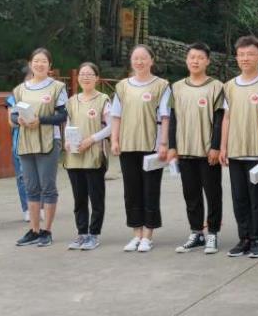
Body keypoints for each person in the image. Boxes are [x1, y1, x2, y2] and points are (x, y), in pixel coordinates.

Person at [110, 44, 171, 253]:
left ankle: (148, 235)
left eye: (144, 58)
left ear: (151, 60)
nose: (139, 62)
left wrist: (164, 143)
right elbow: (116, 116)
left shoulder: (161, 85)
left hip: (151, 146)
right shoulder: (122, 86)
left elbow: (165, 116)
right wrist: (114, 140)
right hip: (128, 145)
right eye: (136, 58)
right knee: (131, 191)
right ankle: (136, 234)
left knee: (150, 190)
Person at [220, 35, 258, 259]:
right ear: (236, 57)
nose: (245, 58)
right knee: (239, 198)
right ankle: (243, 238)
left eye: (250, 54)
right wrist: (223, 146)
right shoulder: (229, 86)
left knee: (257, 199)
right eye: (241, 54)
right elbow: (226, 118)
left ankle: (257, 240)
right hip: (235, 151)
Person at [168, 43, 226, 255]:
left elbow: (220, 120)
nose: (195, 61)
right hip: (185, 150)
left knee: (213, 193)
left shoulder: (217, 87)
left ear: (207, 61)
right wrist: (172, 146)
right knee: (190, 194)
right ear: (186, 60)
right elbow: (173, 119)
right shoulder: (177, 87)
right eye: (192, 57)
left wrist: (216, 147)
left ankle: (213, 233)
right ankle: (196, 233)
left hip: (207, 151)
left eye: (200, 57)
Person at [11, 48, 68, 248]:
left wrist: (40, 120)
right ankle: (34, 230)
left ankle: (47, 230)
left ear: (50, 65)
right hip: (26, 142)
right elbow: (13, 115)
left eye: (44, 61)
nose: (39, 64)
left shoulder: (58, 87)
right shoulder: (20, 89)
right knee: (31, 187)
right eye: (36, 61)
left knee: (48, 187)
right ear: (30, 64)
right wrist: (19, 120)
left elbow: (62, 115)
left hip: (48, 141)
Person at [64, 62, 112, 250]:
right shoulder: (72, 101)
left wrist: (91, 139)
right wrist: (68, 141)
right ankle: (82, 233)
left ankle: (94, 234)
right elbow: (68, 123)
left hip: (94, 155)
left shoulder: (103, 100)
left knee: (96, 197)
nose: (85, 77)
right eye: (82, 74)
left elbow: (111, 127)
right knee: (79, 198)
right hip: (75, 155)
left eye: (90, 74)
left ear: (97, 78)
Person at [5, 65, 31, 220]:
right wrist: (23, 119)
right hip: (20, 139)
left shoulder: (45, 94)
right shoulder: (14, 96)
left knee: (39, 175)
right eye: (29, 78)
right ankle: (27, 208)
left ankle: (41, 206)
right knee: (22, 176)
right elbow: (11, 121)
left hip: (40, 139)